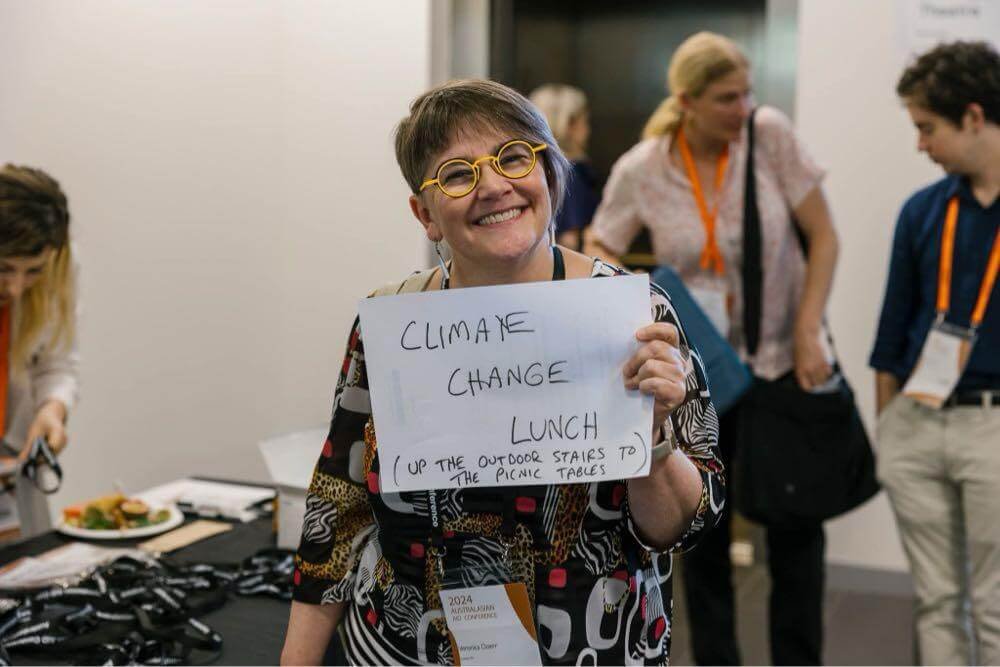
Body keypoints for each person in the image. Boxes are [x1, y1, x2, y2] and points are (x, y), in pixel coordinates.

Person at [280, 79, 725, 666]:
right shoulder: (392, 327)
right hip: (410, 650)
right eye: (458, 174)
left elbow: (681, 527)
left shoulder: (633, 315)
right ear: (426, 214)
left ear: (548, 176)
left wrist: (651, 441)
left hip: (589, 647)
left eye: (513, 157)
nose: (493, 185)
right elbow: (336, 514)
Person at [585, 32, 839, 665]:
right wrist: (642, 301)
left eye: (748, 92)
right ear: (686, 100)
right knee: (703, 537)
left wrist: (809, 327)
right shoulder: (644, 166)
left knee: (794, 533)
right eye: (727, 98)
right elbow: (600, 245)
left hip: (779, 361)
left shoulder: (769, 136)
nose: (743, 107)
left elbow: (824, 237)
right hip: (701, 376)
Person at [870, 41, 1000, 666]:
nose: (920, 144)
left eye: (928, 128)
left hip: (993, 426)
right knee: (936, 602)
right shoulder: (923, 211)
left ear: (974, 117)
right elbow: (891, 332)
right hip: (918, 423)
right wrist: (889, 430)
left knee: (996, 608)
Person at [0, 164, 80, 538]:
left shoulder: (60, 267)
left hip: (13, 468)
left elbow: (56, 361)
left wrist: (52, 410)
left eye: (32, 271)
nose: (16, 288)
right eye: (4, 269)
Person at [529, 83, 599, 251]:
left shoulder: (534, 171)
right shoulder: (570, 174)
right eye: (585, 122)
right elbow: (569, 241)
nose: (588, 130)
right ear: (570, 124)